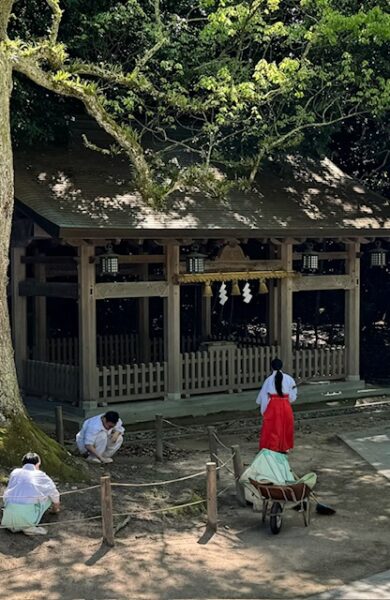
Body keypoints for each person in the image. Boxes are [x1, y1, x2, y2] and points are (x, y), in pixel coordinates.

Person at [1, 452, 60, 536]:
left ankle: (17, 521)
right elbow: (54, 493)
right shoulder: (41, 475)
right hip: (25, 519)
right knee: (50, 497)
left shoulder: (15, 472)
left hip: (7, 518)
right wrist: (56, 508)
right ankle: (28, 526)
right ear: (38, 464)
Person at [256, 358, 297, 452]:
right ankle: (285, 447)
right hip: (285, 403)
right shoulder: (289, 379)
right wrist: (288, 399)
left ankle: (272, 446)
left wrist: (263, 408)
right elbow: (293, 393)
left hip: (273, 404)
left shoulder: (269, 380)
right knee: (286, 424)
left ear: (272, 367)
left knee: (272, 425)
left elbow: (263, 395)